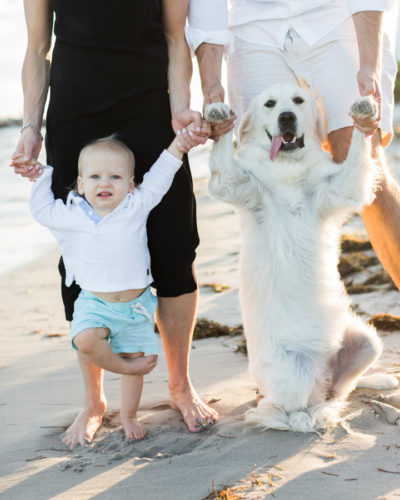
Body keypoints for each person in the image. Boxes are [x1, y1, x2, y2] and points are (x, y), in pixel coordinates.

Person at [11, 0, 217, 450]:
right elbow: (36, 47)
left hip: (148, 108)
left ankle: (180, 384)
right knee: (80, 255)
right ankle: (94, 400)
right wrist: (31, 126)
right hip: (72, 114)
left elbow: (174, 37)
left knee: (175, 246)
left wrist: (182, 108)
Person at [187, 0, 400, 291]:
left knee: (366, 171)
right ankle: (301, 322)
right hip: (253, 33)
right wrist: (211, 83)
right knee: (272, 188)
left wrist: (369, 65)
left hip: (336, 20)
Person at [29, 134, 194, 441]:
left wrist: (178, 146)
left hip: (136, 307)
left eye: (115, 177)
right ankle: (119, 369)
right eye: (95, 177)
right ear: (81, 184)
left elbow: (160, 176)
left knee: (135, 363)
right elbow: (41, 211)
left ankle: (129, 414)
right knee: (85, 340)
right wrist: (41, 176)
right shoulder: (72, 215)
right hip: (95, 304)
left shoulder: (136, 205)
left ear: (130, 185)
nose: (104, 183)